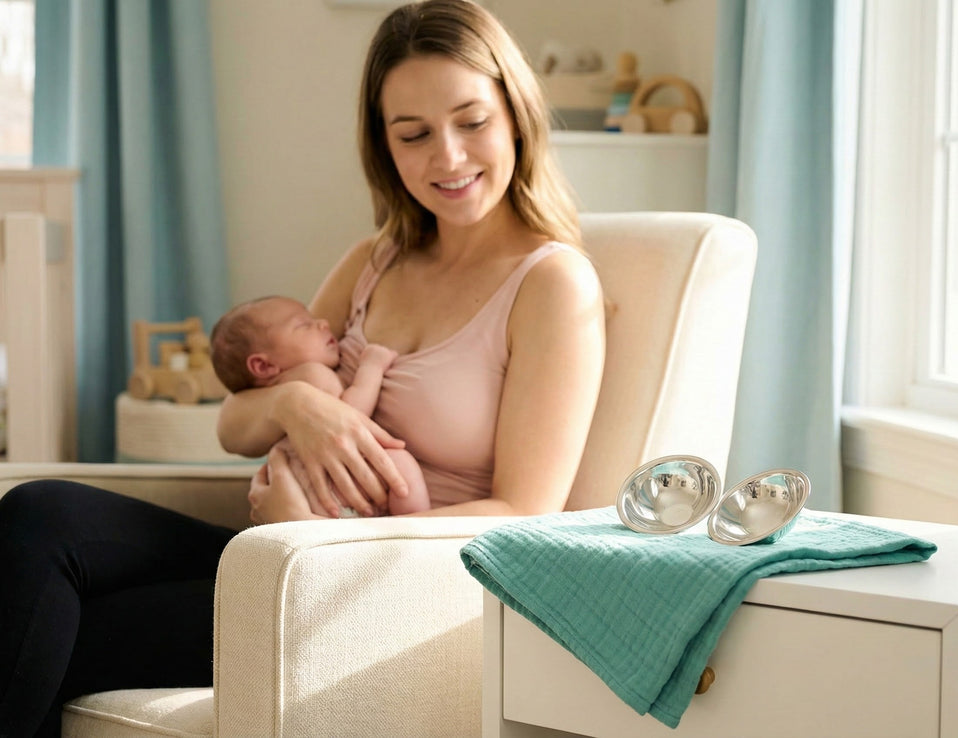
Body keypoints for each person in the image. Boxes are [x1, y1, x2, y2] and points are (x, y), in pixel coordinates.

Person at [0, 0, 605, 733]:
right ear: (383, 145)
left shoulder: (551, 284)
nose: (447, 157)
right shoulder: (377, 259)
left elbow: (528, 513)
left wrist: (321, 541)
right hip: (289, 552)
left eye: (471, 122)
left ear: (515, 114)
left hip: (392, 583)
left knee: (58, 625)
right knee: (42, 512)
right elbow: (235, 421)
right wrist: (297, 408)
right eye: (412, 134)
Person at [208, 294, 431, 517]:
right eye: (304, 325)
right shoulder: (311, 374)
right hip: (332, 483)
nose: (323, 323)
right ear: (263, 365)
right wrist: (372, 367)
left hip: (306, 491)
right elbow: (350, 417)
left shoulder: (271, 391)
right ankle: (412, 523)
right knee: (400, 464)